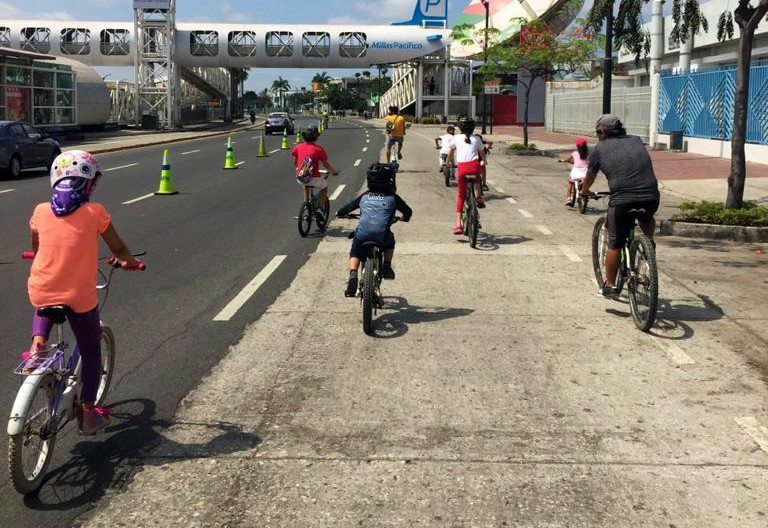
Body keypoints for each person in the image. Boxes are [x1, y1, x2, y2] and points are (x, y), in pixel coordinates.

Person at [26, 150, 143, 435]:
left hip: (41, 288)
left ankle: (37, 343)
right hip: (79, 297)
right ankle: (88, 413)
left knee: (44, 299)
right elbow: (117, 248)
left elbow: (38, 245)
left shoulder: (40, 211)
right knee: (91, 354)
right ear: (88, 184)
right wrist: (130, 261)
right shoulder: (95, 212)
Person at [579, 114, 660, 298]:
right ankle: (648, 245)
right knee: (646, 215)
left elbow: (590, 176)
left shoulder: (599, 149)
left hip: (622, 200)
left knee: (614, 243)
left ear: (602, 132)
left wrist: (584, 191)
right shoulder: (637, 141)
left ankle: (609, 285)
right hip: (652, 198)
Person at [337, 162, 412, 297]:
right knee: (390, 241)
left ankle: (353, 274)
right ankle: (387, 266)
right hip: (382, 237)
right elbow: (408, 211)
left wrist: (340, 213)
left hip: (362, 235)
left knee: (355, 250)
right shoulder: (393, 198)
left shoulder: (365, 196)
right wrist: (405, 218)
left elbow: (347, 208)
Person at [290, 125, 339, 225]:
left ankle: (306, 201)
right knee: (324, 187)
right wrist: (334, 172)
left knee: (305, 182)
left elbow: (295, 162)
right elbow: (326, 165)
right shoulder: (318, 149)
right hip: (313, 178)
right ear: (316, 137)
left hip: (300, 176)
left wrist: (299, 168)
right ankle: (320, 208)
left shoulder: (298, 147)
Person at [446, 117, 487, 235]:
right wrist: (484, 161)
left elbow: (450, 154)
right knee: (477, 179)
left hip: (462, 169)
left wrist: (448, 163)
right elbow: (482, 153)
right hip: (474, 167)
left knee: (461, 196)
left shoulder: (456, 138)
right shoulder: (476, 139)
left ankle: (458, 224)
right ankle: (478, 197)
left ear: (460, 127)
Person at [561, 137, 589, 206]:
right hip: (585, 173)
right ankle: (584, 191)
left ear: (577, 146)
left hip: (576, 174)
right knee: (585, 181)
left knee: (570, 183)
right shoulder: (589, 154)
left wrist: (564, 160)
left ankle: (568, 198)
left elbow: (568, 159)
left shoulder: (574, 153)